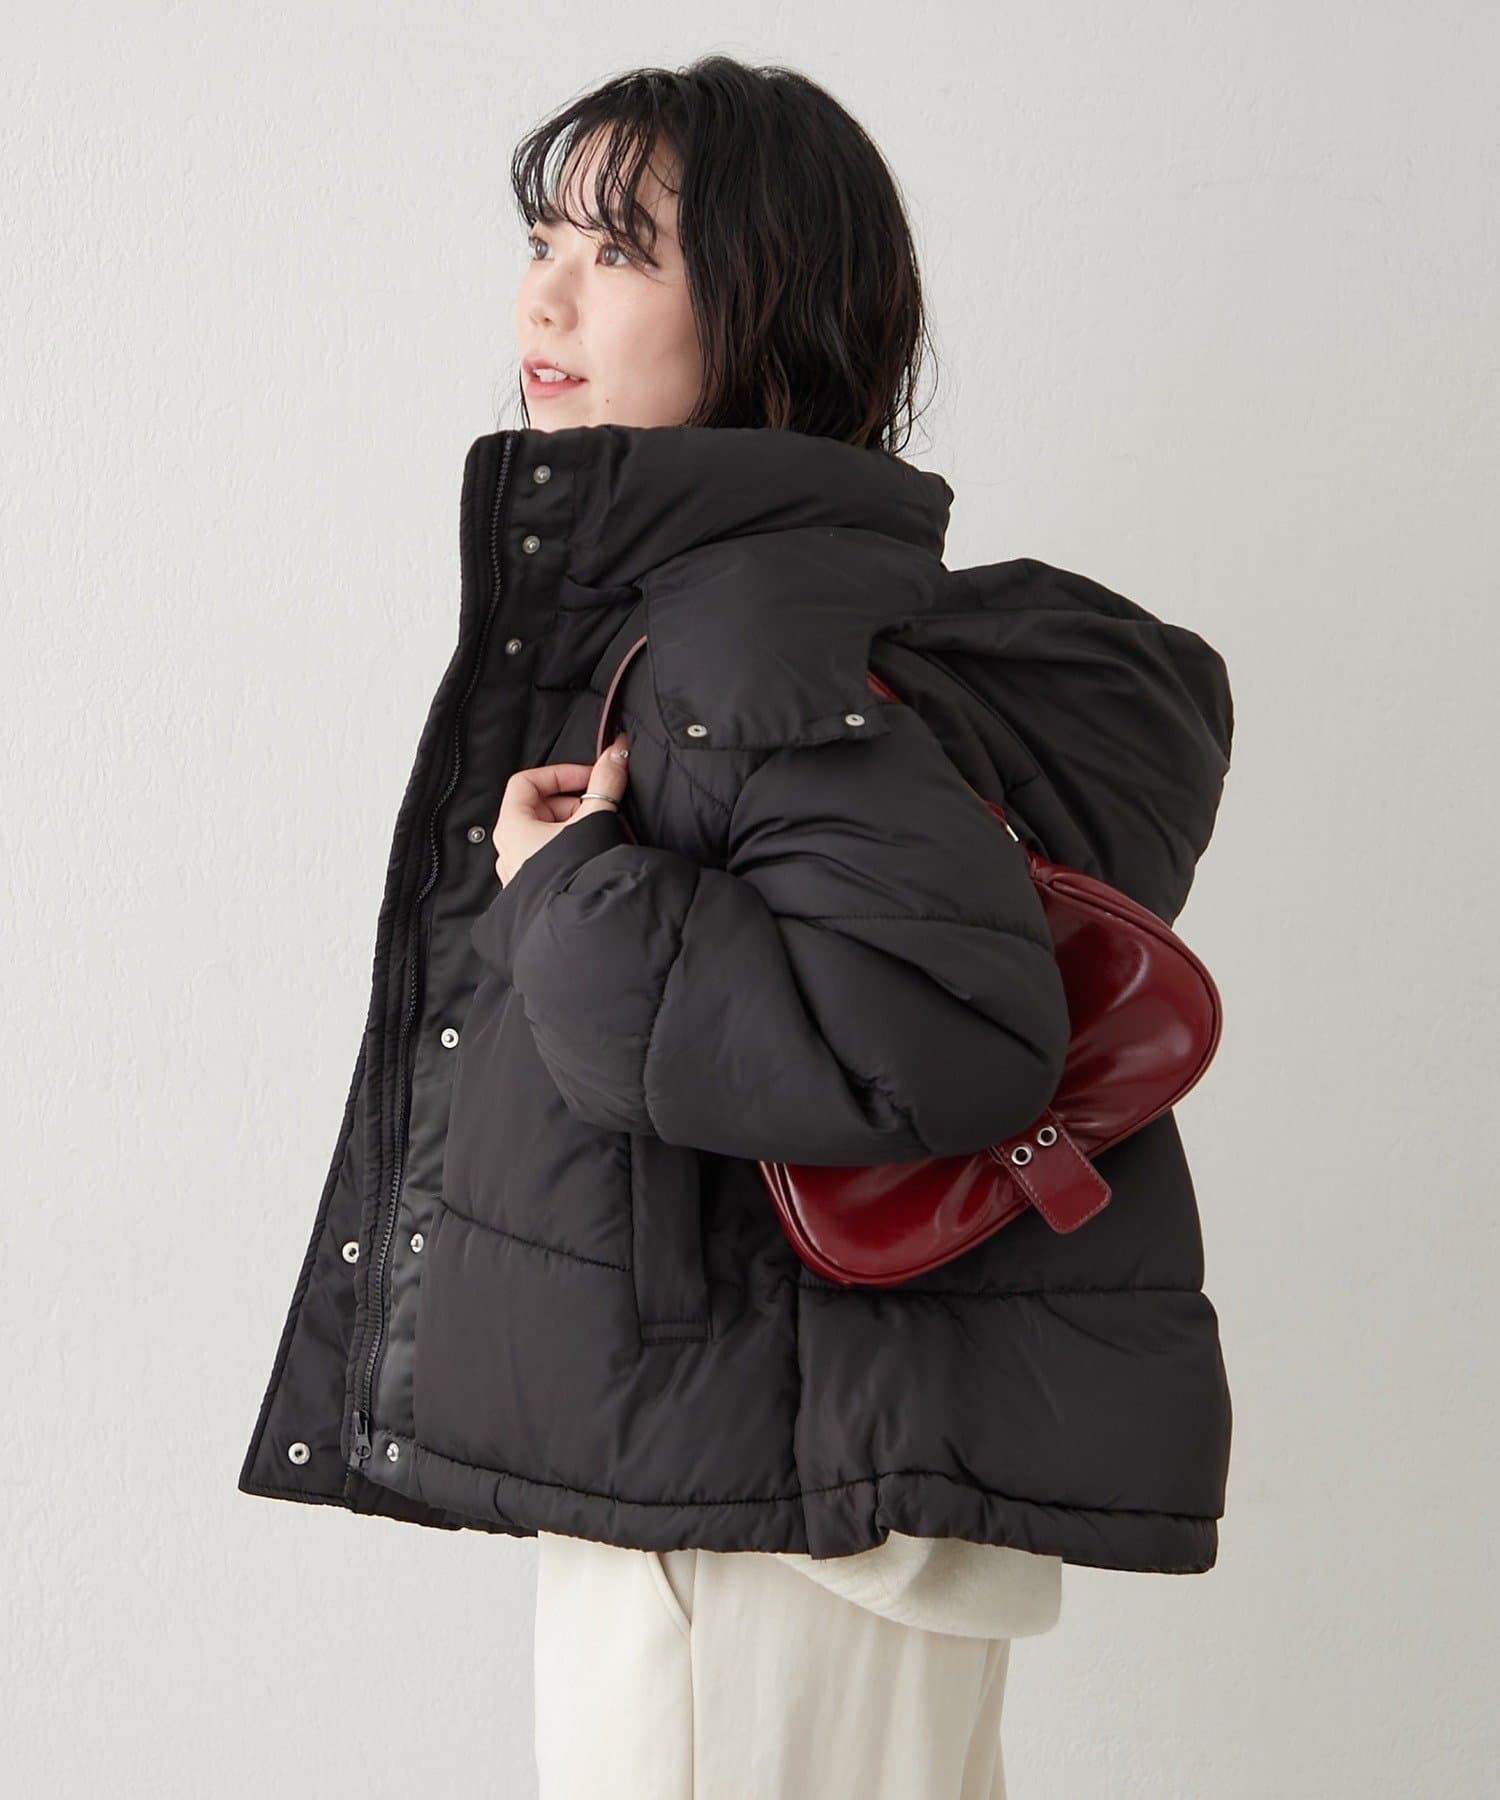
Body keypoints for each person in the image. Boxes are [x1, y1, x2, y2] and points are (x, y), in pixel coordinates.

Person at [239, 55, 1234, 1800]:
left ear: (769, 301)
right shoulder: (746, 605)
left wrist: (574, 891)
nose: (545, 300)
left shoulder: (745, 634)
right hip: (768, 1472)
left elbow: (939, 1046)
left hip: (755, 1524)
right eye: (543, 241)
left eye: (619, 252)